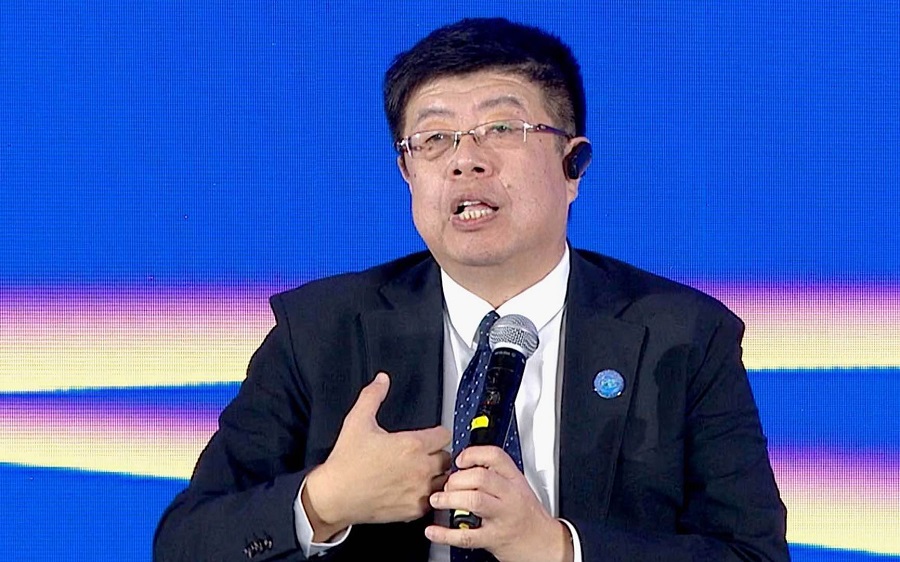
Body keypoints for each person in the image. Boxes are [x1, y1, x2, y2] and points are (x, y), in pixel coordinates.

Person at [153, 17, 789, 562]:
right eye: (434, 139)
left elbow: (752, 553)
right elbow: (183, 543)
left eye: (502, 129)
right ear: (407, 172)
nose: (466, 159)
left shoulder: (683, 336)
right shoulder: (319, 330)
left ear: (573, 166)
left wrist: (556, 548)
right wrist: (324, 501)